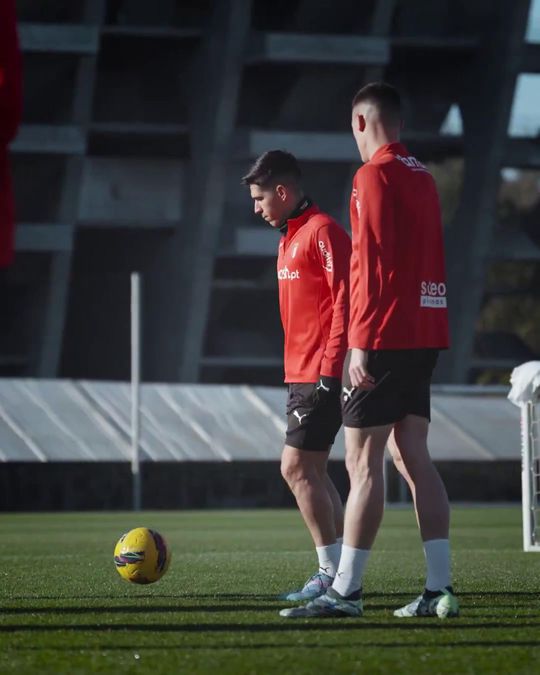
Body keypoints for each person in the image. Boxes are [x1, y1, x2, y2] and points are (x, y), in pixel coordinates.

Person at [280, 82, 459, 619]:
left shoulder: (370, 175)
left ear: (361, 123)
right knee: (412, 454)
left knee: (363, 462)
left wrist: (359, 344)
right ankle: (438, 588)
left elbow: (370, 264)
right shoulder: (424, 176)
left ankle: (346, 592)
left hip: (383, 336)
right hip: (428, 330)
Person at [242, 150, 351, 601]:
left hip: (320, 373)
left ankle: (329, 572)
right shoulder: (287, 237)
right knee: (313, 470)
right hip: (299, 372)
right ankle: (345, 571)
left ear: (283, 192)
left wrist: (330, 369)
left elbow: (347, 300)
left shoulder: (323, 231)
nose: (256, 207)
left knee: (295, 468)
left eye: (261, 198)